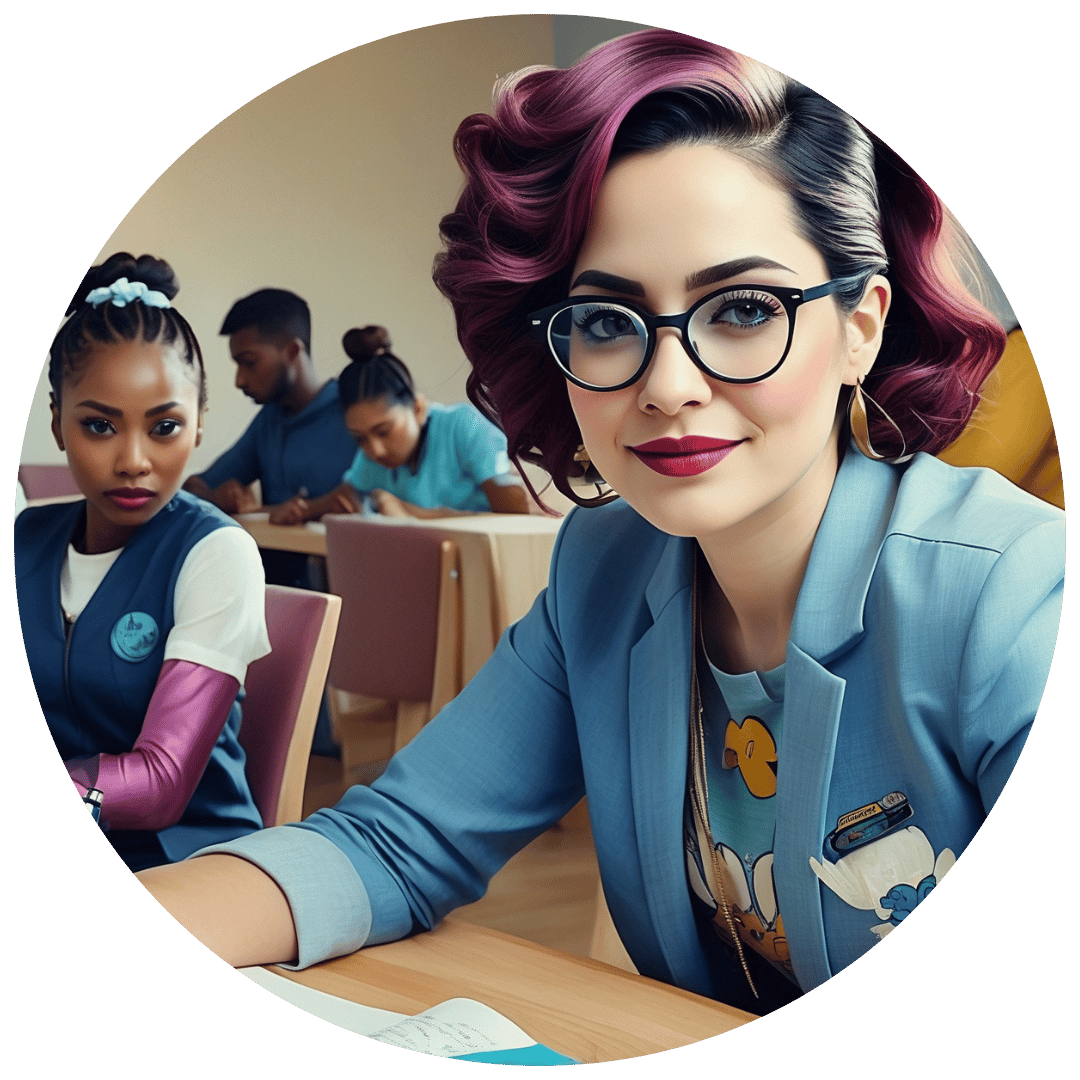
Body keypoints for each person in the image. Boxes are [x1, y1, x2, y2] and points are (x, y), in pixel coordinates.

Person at [137, 31, 1062, 1017]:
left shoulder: (1010, 593)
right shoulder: (603, 576)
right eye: (611, 322)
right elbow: (394, 843)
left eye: (743, 309)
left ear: (861, 326)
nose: (665, 388)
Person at [17, 252, 270, 872]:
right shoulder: (27, 540)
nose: (133, 459)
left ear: (200, 426)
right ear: (57, 423)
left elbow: (161, 784)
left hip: (184, 861)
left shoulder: (217, 554)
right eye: (100, 427)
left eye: (164, 427)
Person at [182, 288, 358, 584]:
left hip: (351, 591)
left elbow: (380, 500)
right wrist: (218, 497)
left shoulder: (356, 413)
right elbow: (192, 489)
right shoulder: (268, 422)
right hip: (272, 594)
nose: (239, 380)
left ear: (292, 352)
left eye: (248, 362)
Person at [268, 324, 530, 522]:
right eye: (359, 438)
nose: (374, 450)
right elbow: (347, 495)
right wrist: (300, 510)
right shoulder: (372, 457)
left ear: (417, 408)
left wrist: (406, 511)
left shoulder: (464, 427)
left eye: (383, 431)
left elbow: (516, 517)